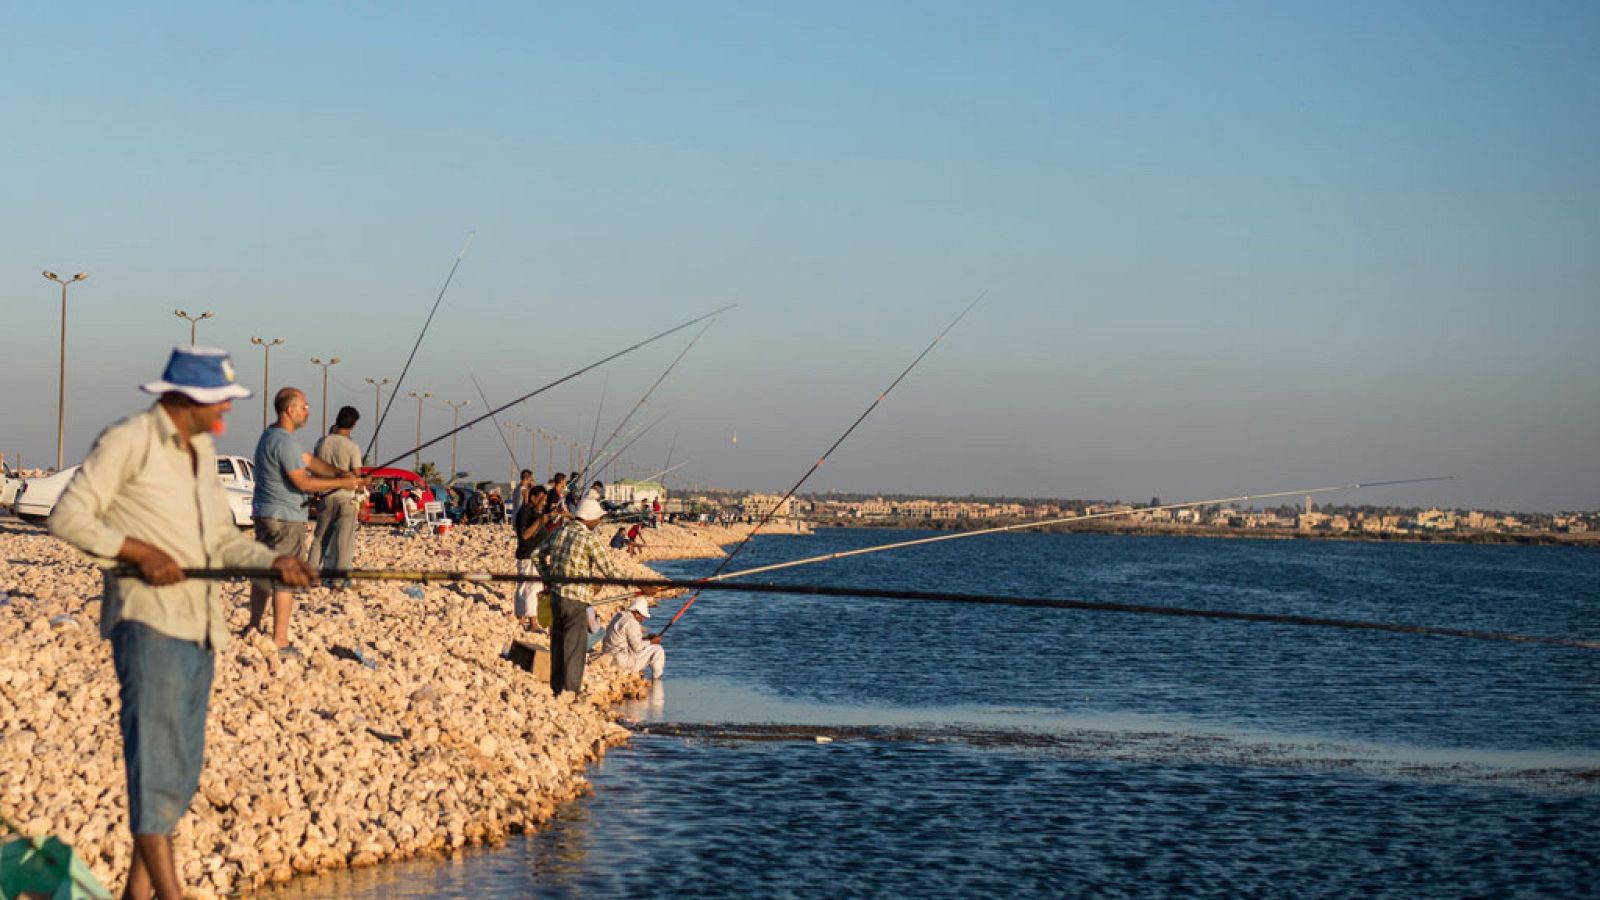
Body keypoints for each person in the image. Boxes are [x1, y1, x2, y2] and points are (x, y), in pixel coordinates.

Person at [49, 346, 316, 900]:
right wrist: (137, 552)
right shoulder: (129, 441)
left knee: (179, 779)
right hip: (147, 626)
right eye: (218, 402)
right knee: (154, 772)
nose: (224, 415)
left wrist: (275, 564)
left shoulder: (199, 450)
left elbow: (220, 540)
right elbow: (68, 516)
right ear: (187, 398)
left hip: (200, 630)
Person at [248, 388, 366, 653]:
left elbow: (310, 461)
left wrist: (342, 474)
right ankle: (280, 641)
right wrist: (343, 482)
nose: (307, 411)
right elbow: (302, 480)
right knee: (285, 577)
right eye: (304, 406)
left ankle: (253, 626)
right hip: (285, 519)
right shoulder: (285, 442)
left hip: (265, 514)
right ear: (290, 410)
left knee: (263, 571)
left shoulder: (270, 436)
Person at [540, 513, 637, 697]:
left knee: (558, 645)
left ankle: (557, 689)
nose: (599, 521)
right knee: (575, 649)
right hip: (576, 600)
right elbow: (608, 570)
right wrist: (638, 583)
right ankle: (570, 693)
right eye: (598, 518)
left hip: (556, 597)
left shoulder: (559, 532)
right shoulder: (588, 538)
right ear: (588, 518)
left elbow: (537, 554)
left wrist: (547, 577)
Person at [307, 405, 364, 587]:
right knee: (344, 542)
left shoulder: (321, 442)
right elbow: (356, 475)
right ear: (354, 425)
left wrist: (317, 494)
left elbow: (314, 469)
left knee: (319, 538)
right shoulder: (352, 447)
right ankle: (340, 581)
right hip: (346, 498)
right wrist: (365, 481)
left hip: (325, 496)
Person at [512, 485, 551, 631]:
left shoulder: (532, 512)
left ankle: (520, 618)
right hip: (529, 555)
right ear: (534, 497)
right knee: (532, 587)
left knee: (524, 586)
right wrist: (542, 520)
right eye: (542, 499)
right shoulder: (525, 512)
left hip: (531, 555)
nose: (545, 502)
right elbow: (525, 534)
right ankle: (533, 622)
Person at [604, 597, 665, 681]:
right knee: (658, 649)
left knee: (650, 647)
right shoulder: (632, 623)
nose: (643, 619)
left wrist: (646, 637)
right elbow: (637, 647)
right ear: (636, 612)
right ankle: (657, 679)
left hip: (609, 656)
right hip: (623, 662)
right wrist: (652, 641)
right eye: (642, 616)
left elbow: (626, 636)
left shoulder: (619, 616)